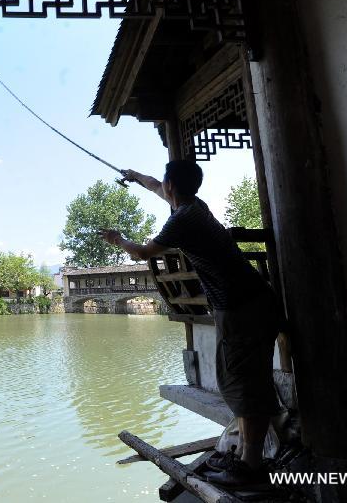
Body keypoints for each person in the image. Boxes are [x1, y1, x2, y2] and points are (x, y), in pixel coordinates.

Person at [99, 160, 281, 487]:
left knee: (245, 385)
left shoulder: (183, 219)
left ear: (172, 186)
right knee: (236, 382)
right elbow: (156, 185)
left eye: (165, 183)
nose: (162, 187)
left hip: (243, 307)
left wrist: (118, 240)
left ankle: (251, 465)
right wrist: (135, 176)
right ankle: (244, 456)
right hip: (242, 305)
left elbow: (143, 253)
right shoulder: (195, 206)